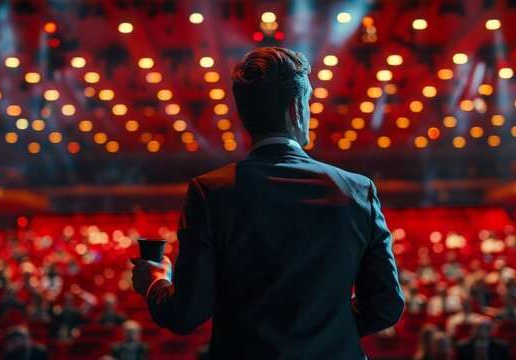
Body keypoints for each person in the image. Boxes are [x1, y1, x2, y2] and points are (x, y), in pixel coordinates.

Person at [131, 47, 404, 359]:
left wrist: (155, 281)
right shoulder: (357, 190)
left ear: (244, 114)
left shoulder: (209, 192)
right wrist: (324, 332)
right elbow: (385, 306)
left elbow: (185, 314)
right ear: (296, 109)